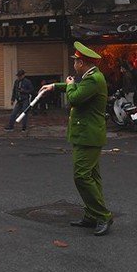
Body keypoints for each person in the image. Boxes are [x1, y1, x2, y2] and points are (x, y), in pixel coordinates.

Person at [39, 42, 113, 236]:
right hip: (87, 134)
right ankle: (91, 215)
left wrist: (70, 86)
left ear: (81, 63)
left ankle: (103, 215)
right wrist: (54, 86)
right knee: (91, 177)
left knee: (81, 176)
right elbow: (77, 88)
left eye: (75, 61)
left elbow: (75, 97)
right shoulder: (91, 78)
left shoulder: (94, 80)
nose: (74, 65)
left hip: (88, 135)